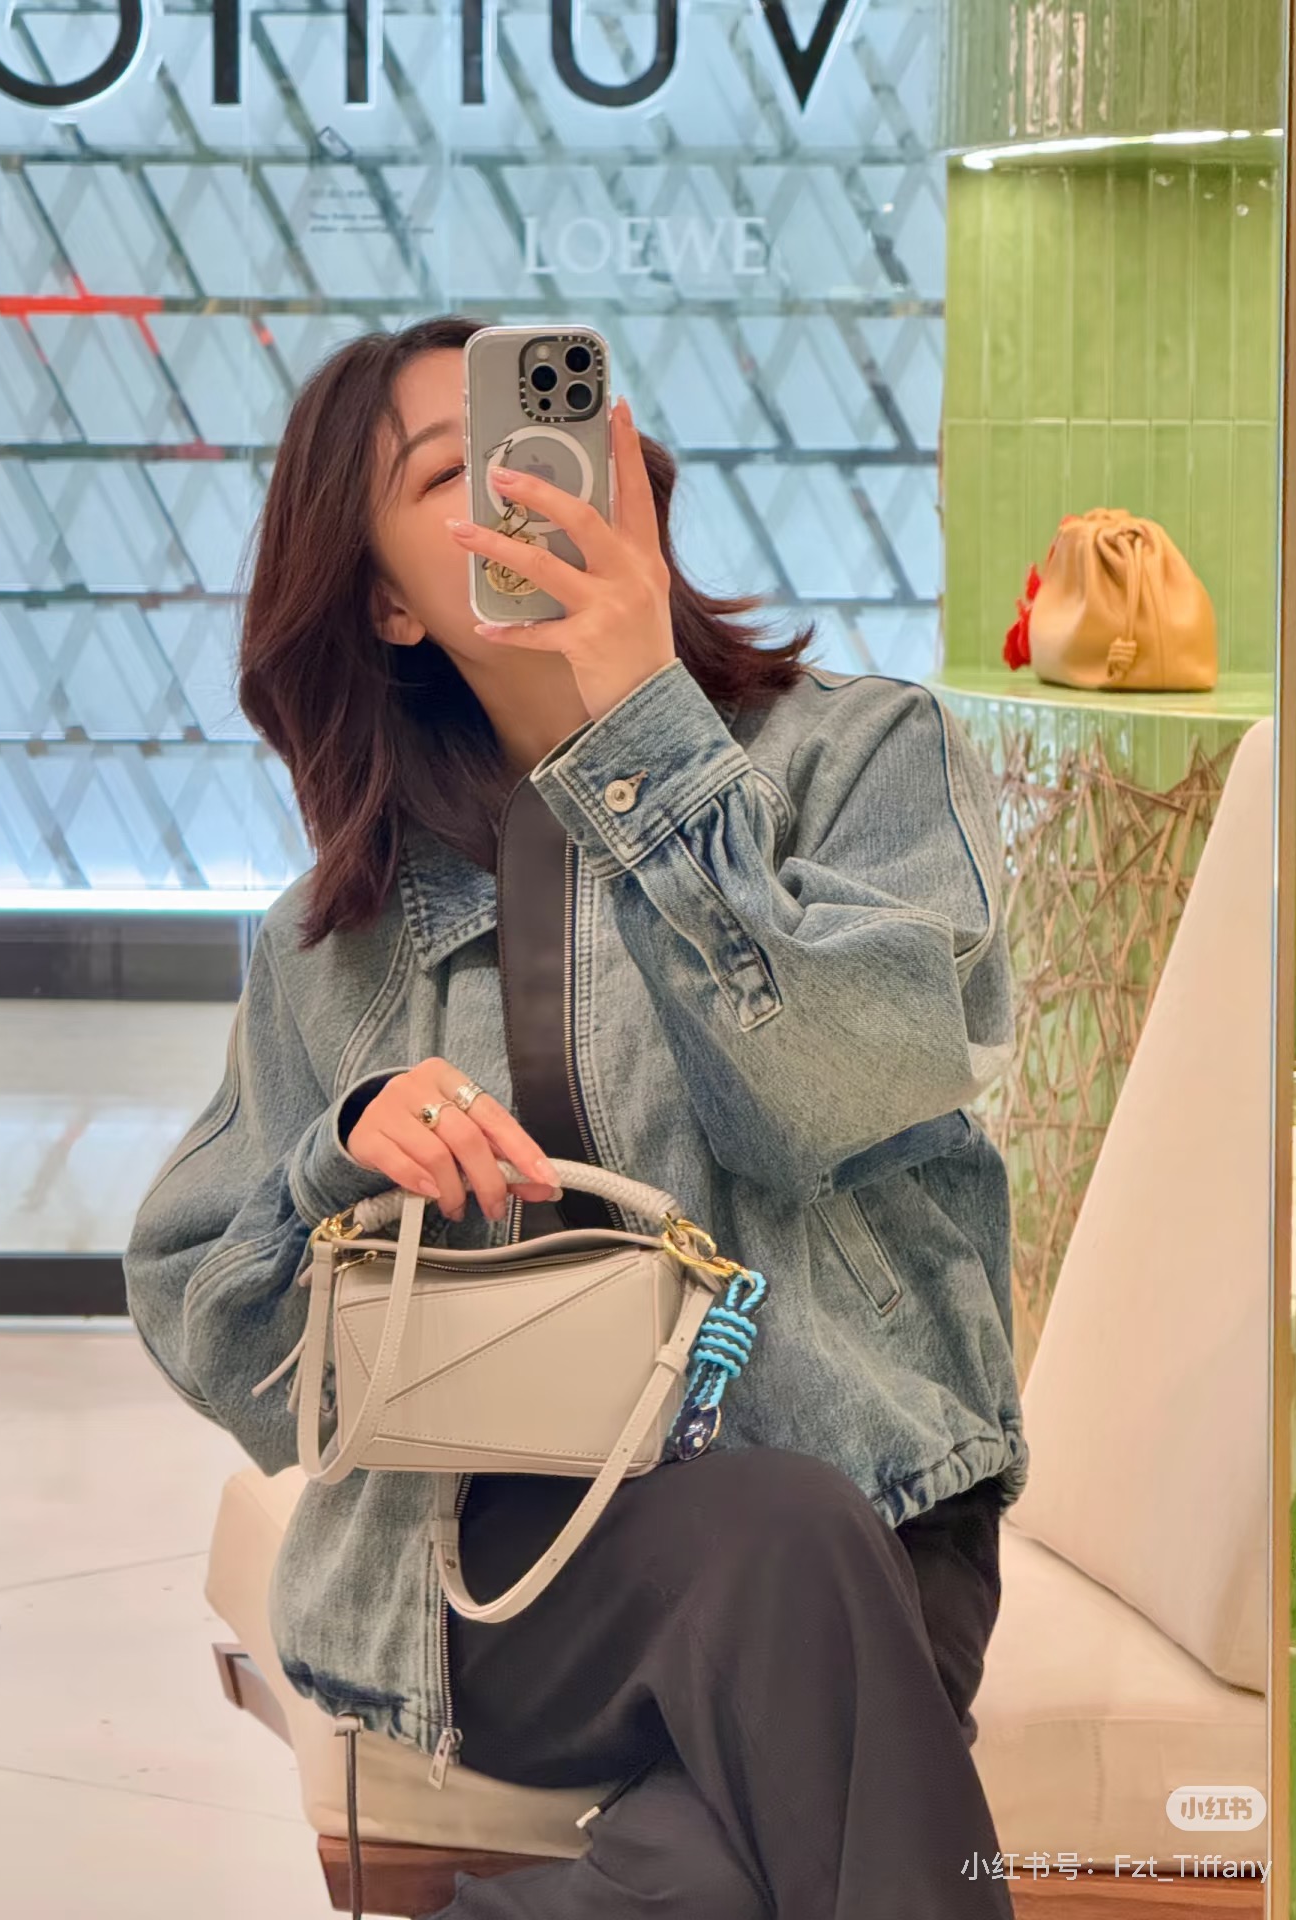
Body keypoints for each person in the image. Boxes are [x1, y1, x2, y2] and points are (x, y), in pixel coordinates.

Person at [123, 312, 1030, 1918]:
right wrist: (341, 1155)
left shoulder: (867, 761)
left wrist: (645, 743)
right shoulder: (340, 939)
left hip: (877, 1519)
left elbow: (830, 1092)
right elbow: (213, 1320)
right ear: (390, 602)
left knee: (705, 1855)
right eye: (455, 474)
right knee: (778, 1553)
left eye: (549, 447)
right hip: (510, 1575)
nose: (523, 494)